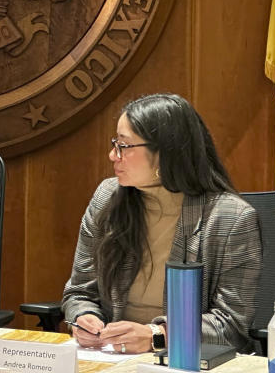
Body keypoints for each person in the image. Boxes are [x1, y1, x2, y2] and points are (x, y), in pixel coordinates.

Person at [62, 93, 262, 354]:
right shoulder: (107, 199)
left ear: (164, 154)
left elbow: (232, 325)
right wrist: (83, 318)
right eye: (115, 144)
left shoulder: (231, 219)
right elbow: (79, 292)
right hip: (114, 356)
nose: (112, 155)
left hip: (188, 361)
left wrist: (157, 335)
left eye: (124, 146)